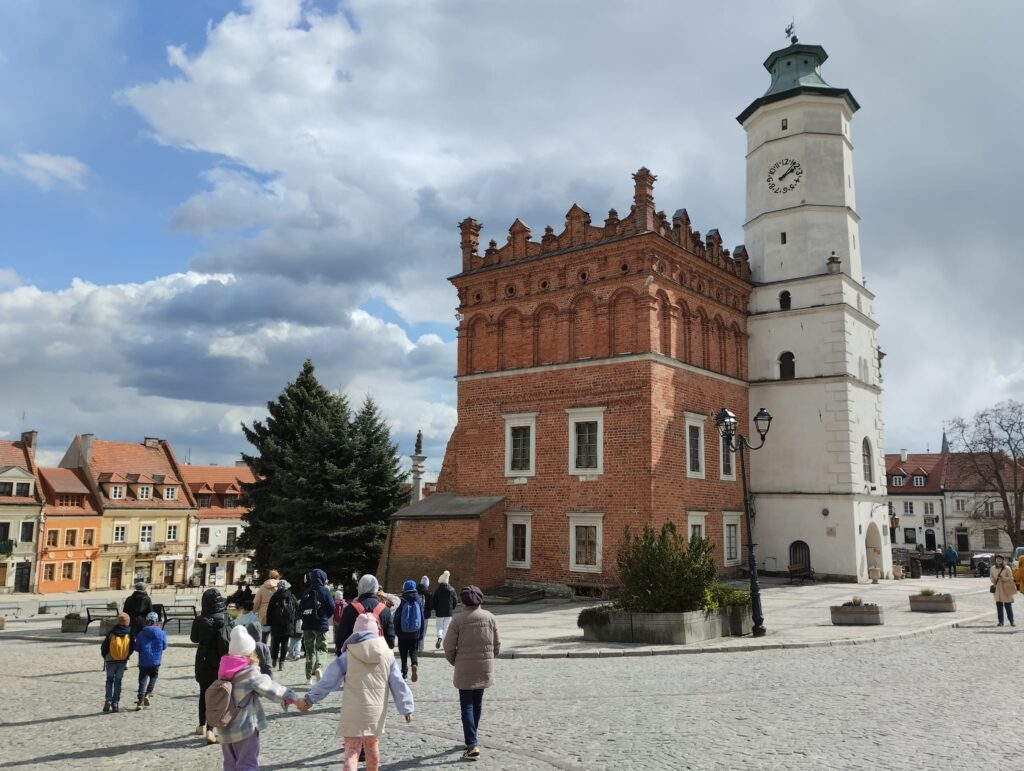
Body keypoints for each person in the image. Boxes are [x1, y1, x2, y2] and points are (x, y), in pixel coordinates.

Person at [298, 613, 415, 771]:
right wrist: (407, 707)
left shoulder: (348, 655)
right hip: (375, 712)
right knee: (372, 748)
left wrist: (310, 699)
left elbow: (328, 681)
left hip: (352, 711)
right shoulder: (387, 655)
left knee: (351, 751)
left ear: (355, 632)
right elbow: (398, 683)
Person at [216, 626, 298, 771]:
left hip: (225, 729)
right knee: (248, 764)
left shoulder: (224, 670)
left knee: (230, 765)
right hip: (244, 728)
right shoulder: (250, 674)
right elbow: (272, 689)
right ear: (249, 653)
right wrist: (292, 697)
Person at [443, 585, 500, 762]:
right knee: (477, 704)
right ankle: (472, 738)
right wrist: (489, 658)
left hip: (464, 668)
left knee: (466, 705)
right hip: (483, 667)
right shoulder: (490, 617)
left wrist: (456, 662)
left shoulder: (458, 620)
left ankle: (471, 744)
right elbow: (497, 644)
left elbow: (448, 646)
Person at [191, 587, 233, 744]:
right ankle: (211, 728)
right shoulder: (226, 617)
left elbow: (194, 638)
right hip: (223, 662)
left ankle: (202, 725)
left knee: (204, 694)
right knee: (219, 696)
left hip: (204, 660)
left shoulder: (201, 619)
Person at [337, 574, 396, 652]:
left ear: (360, 587)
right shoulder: (385, 610)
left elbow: (341, 639)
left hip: (355, 658)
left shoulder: (349, 609)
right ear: (376, 587)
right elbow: (391, 643)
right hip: (378, 658)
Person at [300, 568, 335, 684]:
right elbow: (332, 607)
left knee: (309, 650)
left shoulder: (306, 591)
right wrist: (325, 616)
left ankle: (308, 678)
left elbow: (300, 609)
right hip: (321, 624)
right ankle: (319, 667)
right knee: (321, 648)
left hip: (307, 625)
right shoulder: (325, 591)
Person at [100, 611, 134, 714]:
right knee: (118, 682)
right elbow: (132, 647)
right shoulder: (130, 633)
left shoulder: (112, 632)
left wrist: (105, 656)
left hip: (110, 660)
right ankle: (115, 704)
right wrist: (127, 656)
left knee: (109, 680)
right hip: (122, 661)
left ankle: (108, 699)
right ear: (128, 622)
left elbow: (104, 647)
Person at [134, 611, 167, 710]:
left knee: (142, 681)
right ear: (156, 621)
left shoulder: (141, 633)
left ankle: (140, 701)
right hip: (156, 661)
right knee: (153, 677)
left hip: (144, 661)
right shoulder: (161, 633)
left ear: (146, 621)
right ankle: (148, 694)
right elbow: (164, 646)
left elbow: (136, 648)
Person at [395, 579, 426, 682]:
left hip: (403, 632)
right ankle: (414, 664)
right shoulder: (418, 600)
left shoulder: (402, 600)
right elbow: (422, 617)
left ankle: (404, 672)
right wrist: (421, 633)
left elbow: (397, 617)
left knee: (403, 653)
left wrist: (396, 631)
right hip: (415, 632)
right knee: (413, 650)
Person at [267, 579, 298, 671]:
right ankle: (282, 663)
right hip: (288, 624)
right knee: (284, 643)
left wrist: (269, 622)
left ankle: (274, 660)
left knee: (275, 643)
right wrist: (294, 621)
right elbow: (296, 608)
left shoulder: (274, 596)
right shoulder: (291, 596)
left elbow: (269, 611)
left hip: (275, 623)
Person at [252, 570, 279, 643]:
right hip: (276, 612)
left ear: (269, 576)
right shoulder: (280, 587)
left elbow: (257, 601)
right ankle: (273, 651)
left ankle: (264, 649)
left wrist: (253, 611)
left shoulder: (263, 587)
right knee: (275, 634)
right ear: (278, 576)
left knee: (264, 634)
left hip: (264, 613)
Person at [990, 554, 1017, 627]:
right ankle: (1001, 622)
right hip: (997, 589)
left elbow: (1011, 578)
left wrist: (1003, 578)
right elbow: (991, 577)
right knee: (999, 606)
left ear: (1003, 560)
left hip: (1006, 589)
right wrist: (993, 581)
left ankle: (1011, 621)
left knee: (1008, 606)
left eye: (1000, 559)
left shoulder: (1007, 568)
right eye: (997, 559)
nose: (998, 560)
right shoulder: (993, 568)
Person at [433, 570, 457, 650]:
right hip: (448, 612)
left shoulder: (437, 590)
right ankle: (445, 644)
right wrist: (452, 608)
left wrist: (435, 608)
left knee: (439, 626)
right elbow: (455, 600)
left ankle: (440, 637)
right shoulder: (452, 589)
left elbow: (434, 601)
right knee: (446, 627)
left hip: (439, 612)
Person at [416, 576, 432, 655]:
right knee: (423, 631)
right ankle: (420, 648)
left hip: (416, 615)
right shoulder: (428, 594)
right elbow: (430, 606)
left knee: (416, 630)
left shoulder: (415, 591)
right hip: (425, 616)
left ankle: (415, 646)